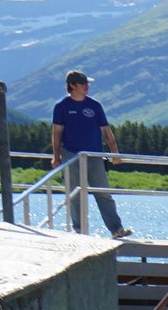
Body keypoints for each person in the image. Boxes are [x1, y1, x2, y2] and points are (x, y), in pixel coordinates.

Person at [50, 68, 129, 238]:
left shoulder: (95, 105)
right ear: (72, 85)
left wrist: (115, 153)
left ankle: (116, 229)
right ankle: (79, 231)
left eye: (88, 83)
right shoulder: (62, 107)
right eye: (83, 83)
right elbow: (56, 133)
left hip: (95, 155)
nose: (87, 86)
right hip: (71, 154)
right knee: (75, 194)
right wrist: (56, 156)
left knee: (103, 193)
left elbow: (107, 131)